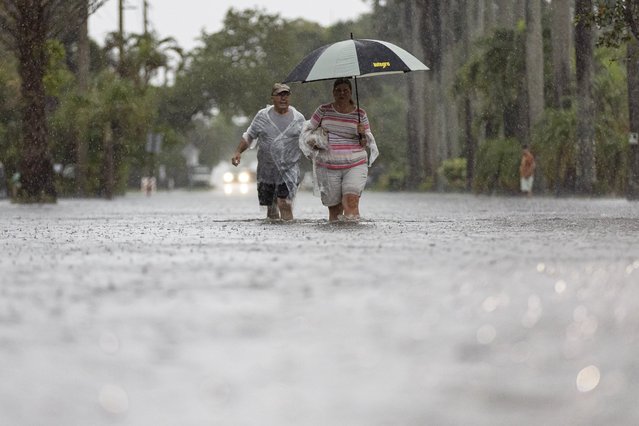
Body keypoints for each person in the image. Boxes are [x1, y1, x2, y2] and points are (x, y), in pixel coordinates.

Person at [301, 78, 378, 221]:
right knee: (335, 210)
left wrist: (362, 133)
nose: (342, 93)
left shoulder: (360, 114)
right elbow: (306, 131)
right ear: (333, 93)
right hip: (327, 165)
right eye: (338, 90)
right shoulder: (323, 110)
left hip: (355, 163)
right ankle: (337, 241)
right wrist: (313, 141)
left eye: (345, 90)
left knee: (351, 201)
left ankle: (353, 239)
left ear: (350, 93)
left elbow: (365, 142)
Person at [232, 83, 305, 220]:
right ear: (272, 97)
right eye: (279, 95)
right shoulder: (262, 116)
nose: (283, 98)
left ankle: (288, 234)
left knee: (284, 202)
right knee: (271, 208)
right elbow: (249, 136)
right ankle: (274, 237)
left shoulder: (298, 118)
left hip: (288, 170)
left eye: (286, 95)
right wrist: (238, 152)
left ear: (290, 98)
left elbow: (306, 140)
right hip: (267, 171)